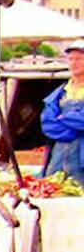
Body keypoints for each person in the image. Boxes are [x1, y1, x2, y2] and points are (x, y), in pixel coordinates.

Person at [41, 38, 84, 182]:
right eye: (71, 59)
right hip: (58, 155)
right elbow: (48, 124)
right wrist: (73, 128)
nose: (74, 63)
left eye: (79, 59)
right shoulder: (60, 93)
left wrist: (64, 118)